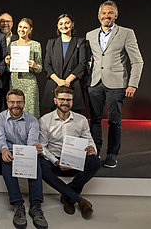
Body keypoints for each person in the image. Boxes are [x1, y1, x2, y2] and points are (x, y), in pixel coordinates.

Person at [86, 0, 144, 168]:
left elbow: (137, 61)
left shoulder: (127, 33)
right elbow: (90, 59)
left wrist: (132, 84)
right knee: (95, 120)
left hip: (117, 83)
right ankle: (95, 152)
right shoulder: (90, 35)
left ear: (116, 15)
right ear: (98, 16)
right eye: (104, 13)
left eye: (110, 13)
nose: (107, 16)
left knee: (114, 120)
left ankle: (112, 154)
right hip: (95, 82)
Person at [39, 86, 100, 219]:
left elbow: (88, 139)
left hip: (75, 159)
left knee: (95, 161)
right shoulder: (45, 120)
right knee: (42, 168)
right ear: (55, 100)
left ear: (72, 101)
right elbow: (43, 147)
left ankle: (68, 197)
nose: (65, 103)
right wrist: (56, 161)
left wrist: (92, 148)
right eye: (62, 99)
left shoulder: (81, 119)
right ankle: (79, 200)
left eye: (68, 100)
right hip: (55, 160)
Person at [0, 89, 48, 229]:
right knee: (5, 162)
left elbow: (32, 141)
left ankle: (36, 206)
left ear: (24, 103)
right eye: (12, 102)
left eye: (19, 102)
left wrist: (34, 148)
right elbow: (0, 140)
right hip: (9, 152)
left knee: (35, 161)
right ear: (7, 103)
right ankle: (18, 205)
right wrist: (4, 149)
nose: (15, 105)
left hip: (26, 152)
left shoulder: (32, 120)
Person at [42, 14, 87, 112]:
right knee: (53, 121)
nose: (64, 26)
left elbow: (82, 64)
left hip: (73, 85)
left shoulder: (80, 42)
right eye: (61, 24)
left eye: (67, 23)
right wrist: (59, 81)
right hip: (54, 85)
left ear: (72, 25)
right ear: (57, 26)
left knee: (73, 120)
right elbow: (47, 64)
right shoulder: (51, 43)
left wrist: (67, 82)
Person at [5, 18, 42, 118]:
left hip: (29, 83)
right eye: (20, 27)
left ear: (30, 30)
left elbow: (40, 68)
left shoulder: (35, 45)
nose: (22, 29)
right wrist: (8, 64)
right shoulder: (12, 45)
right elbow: (9, 69)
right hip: (15, 81)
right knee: (15, 110)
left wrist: (35, 65)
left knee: (31, 111)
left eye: (25, 27)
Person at [0, 13, 19, 115]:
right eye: (2, 21)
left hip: (14, 79)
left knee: (12, 108)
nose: (5, 24)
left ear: (12, 24)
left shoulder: (19, 39)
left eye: (8, 21)